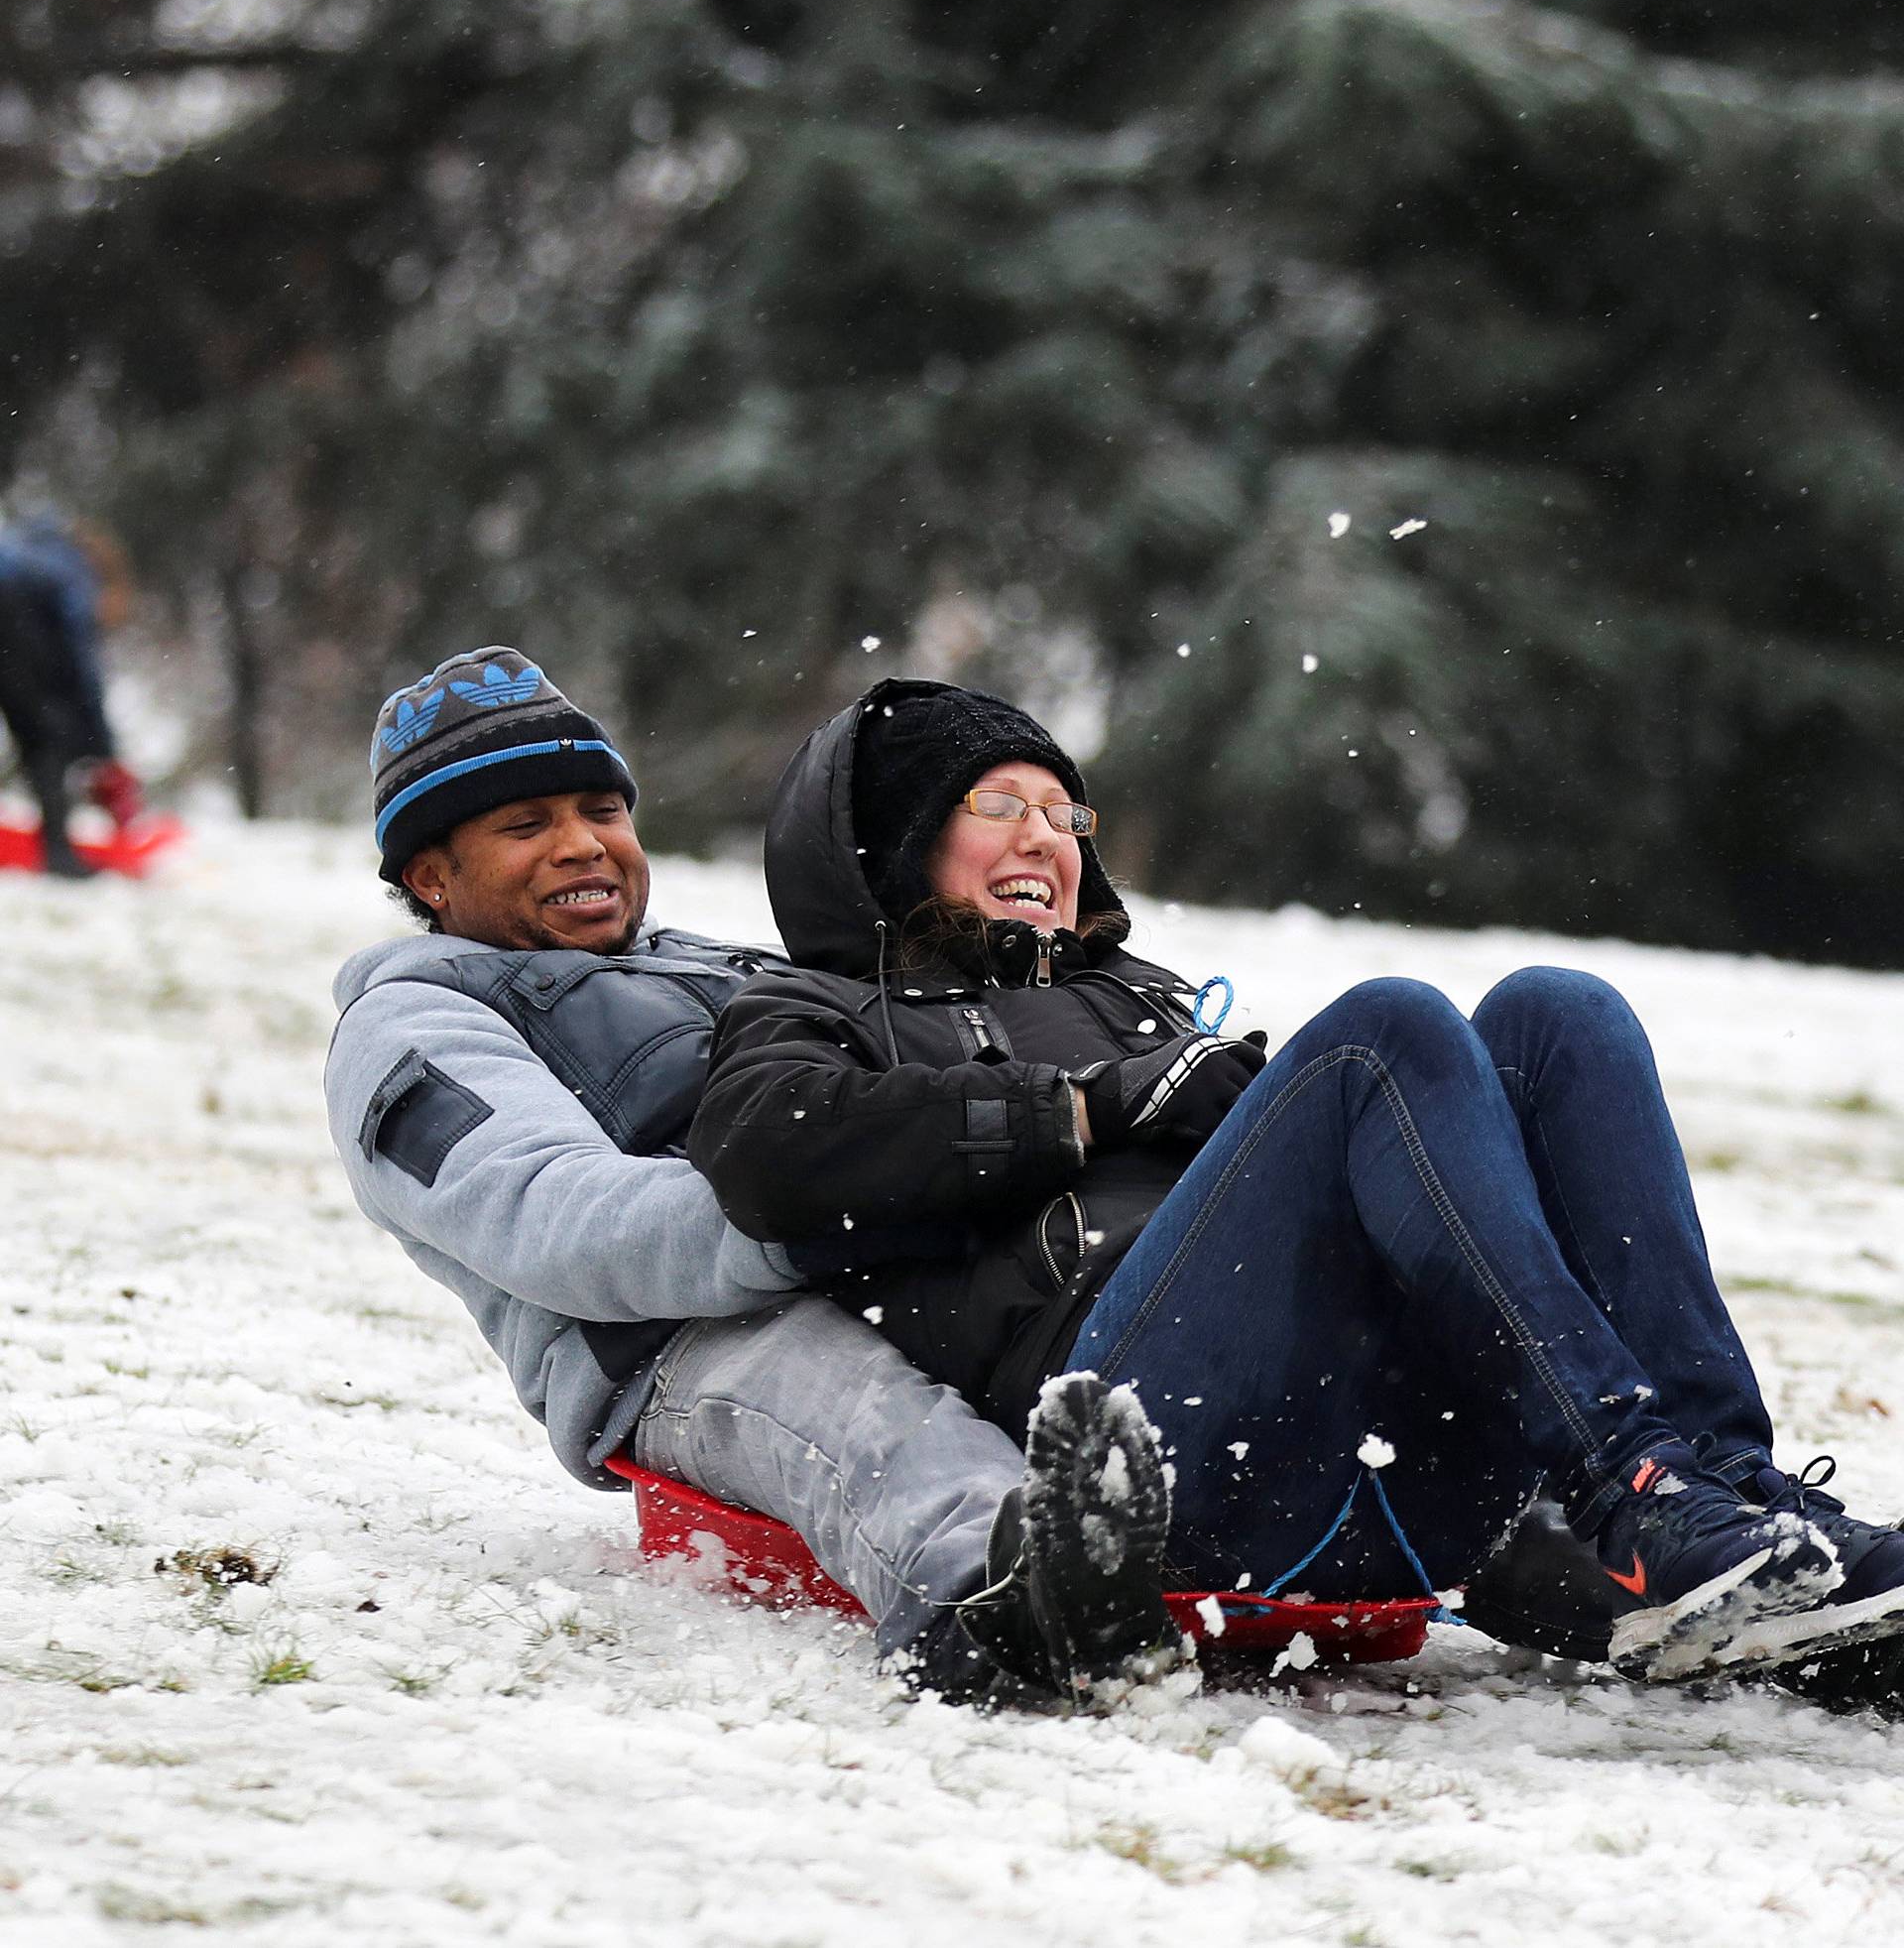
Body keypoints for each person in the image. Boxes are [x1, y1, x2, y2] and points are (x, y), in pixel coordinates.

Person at [687, 676, 1904, 1686]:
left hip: (1378, 1452)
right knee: (1385, 1030)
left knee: (1558, 1015)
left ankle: (1731, 1506)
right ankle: (1637, 1489)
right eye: (999, 803)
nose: (1046, 839)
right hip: (1153, 1459)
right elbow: (767, 1152)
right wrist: (1085, 1107)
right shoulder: (819, 1008)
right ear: (887, 845)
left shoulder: (1139, 997)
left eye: (1067, 816)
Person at [322, 647, 1185, 1709]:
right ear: (430, 875)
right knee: (858, 1408)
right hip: (673, 1343)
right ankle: (995, 1596)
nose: (582, 844)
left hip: (881, 1247)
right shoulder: (414, 1029)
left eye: (601, 808)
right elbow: (555, 1220)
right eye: (524, 825)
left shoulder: (718, 961)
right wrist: (825, 1210)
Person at [0, 516, 141, 877]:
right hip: (10, 619)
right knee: (46, 739)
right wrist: (104, 748)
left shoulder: (32, 550)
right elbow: (82, 667)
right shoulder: (71, 573)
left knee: (39, 728)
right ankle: (59, 857)